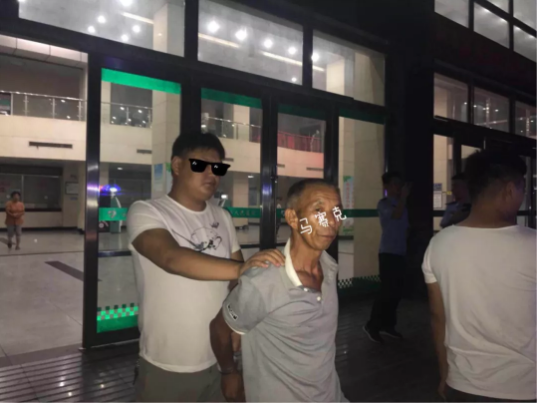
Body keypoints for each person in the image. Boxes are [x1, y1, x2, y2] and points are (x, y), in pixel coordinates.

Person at [126, 132, 285, 403]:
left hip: (220, 357)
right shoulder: (147, 212)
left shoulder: (222, 216)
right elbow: (171, 258)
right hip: (167, 365)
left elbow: (238, 284)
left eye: (218, 168)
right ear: (177, 165)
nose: (212, 174)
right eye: (201, 165)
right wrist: (240, 269)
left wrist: (236, 328)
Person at [210, 179, 348, 403]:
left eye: (337, 211)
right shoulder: (264, 280)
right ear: (293, 218)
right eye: (318, 210)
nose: (331, 221)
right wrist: (228, 372)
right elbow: (219, 329)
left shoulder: (329, 267)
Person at [422, 150, 536, 402]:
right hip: (525, 385)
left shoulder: (439, 244)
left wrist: (445, 373)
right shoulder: (532, 244)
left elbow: (438, 317)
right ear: (510, 189)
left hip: (463, 382)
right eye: (522, 188)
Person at [364, 171, 410, 344]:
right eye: (394, 184)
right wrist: (404, 198)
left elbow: (405, 227)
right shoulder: (383, 204)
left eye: (400, 184)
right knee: (386, 291)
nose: (398, 187)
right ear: (386, 186)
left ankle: (388, 325)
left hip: (400, 252)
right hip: (388, 252)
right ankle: (372, 326)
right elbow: (396, 216)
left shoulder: (401, 204)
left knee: (396, 292)